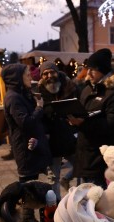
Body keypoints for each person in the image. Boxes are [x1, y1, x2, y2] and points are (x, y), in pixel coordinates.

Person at [68, 48, 114, 189]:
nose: (88, 73)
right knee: (88, 200)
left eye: (93, 69)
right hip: (86, 154)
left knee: (100, 201)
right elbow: (83, 113)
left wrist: (83, 123)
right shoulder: (88, 89)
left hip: (103, 159)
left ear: (103, 70)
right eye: (88, 68)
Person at [1, 63, 52, 222]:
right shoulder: (13, 98)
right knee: (26, 183)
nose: (31, 77)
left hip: (31, 146)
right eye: (27, 74)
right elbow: (25, 122)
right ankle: (11, 218)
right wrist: (39, 108)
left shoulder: (21, 94)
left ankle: (27, 217)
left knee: (30, 183)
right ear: (17, 78)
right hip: (24, 148)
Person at [37, 61, 78, 199]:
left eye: (51, 72)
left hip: (69, 137)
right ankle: (56, 207)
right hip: (52, 141)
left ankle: (70, 184)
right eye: (45, 73)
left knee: (82, 165)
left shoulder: (69, 87)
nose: (49, 75)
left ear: (57, 72)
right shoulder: (39, 92)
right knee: (53, 177)